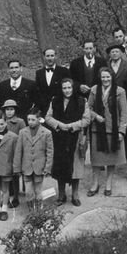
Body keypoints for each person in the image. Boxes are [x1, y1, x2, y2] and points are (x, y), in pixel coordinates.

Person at [45, 78, 91, 207]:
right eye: (64, 88)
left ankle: (75, 195)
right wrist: (59, 125)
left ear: (73, 88)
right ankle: (61, 195)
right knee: (60, 166)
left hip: (75, 137)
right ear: (61, 89)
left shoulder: (82, 101)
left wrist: (71, 126)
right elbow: (48, 117)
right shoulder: (55, 100)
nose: (67, 90)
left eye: (69, 87)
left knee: (76, 167)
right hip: (59, 137)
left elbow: (86, 119)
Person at [86, 67, 127, 197]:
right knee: (97, 158)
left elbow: (124, 113)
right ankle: (95, 183)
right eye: (103, 77)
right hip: (97, 130)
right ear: (100, 77)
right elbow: (88, 108)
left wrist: (121, 131)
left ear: (112, 77)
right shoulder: (94, 90)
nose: (105, 79)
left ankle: (109, 183)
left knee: (111, 158)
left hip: (113, 130)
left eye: (108, 77)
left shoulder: (120, 91)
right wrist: (95, 116)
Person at [13, 108, 54, 211]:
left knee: (38, 190)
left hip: (39, 168)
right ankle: (31, 211)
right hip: (26, 167)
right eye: (28, 119)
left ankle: (38, 210)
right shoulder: (22, 132)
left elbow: (50, 152)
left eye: (33, 119)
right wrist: (16, 168)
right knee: (28, 191)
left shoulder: (46, 133)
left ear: (39, 119)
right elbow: (18, 151)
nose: (30, 122)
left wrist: (47, 168)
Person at [1, 100, 26, 208]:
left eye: (11, 109)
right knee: (6, 174)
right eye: (7, 110)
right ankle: (9, 193)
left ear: (15, 110)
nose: (9, 112)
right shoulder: (2, 121)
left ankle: (16, 197)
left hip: (16, 151)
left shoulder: (20, 122)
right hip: (4, 152)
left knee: (15, 174)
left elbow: (24, 135)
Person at [34, 48, 71, 115]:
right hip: (44, 109)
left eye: (52, 55)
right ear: (44, 57)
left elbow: (69, 89)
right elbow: (38, 91)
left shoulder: (64, 71)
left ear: (55, 57)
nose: (50, 58)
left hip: (61, 107)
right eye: (47, 56)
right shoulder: (39, 73)